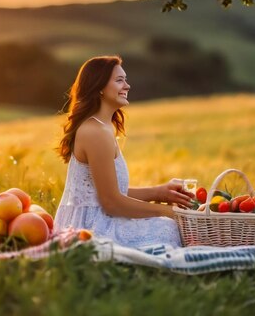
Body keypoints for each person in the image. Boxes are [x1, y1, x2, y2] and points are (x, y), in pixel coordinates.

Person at [54, 55, 194, 248]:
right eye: (119, 80)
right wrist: (167, 211)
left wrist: (159, 193)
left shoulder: (101, 127)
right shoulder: (95, 131)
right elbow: (111, 202)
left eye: (125, 80)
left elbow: (106, 192)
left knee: (169, 225)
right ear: (100, 87)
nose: (127, 86)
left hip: (99, 219)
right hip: (89, 228)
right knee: (168, 227)